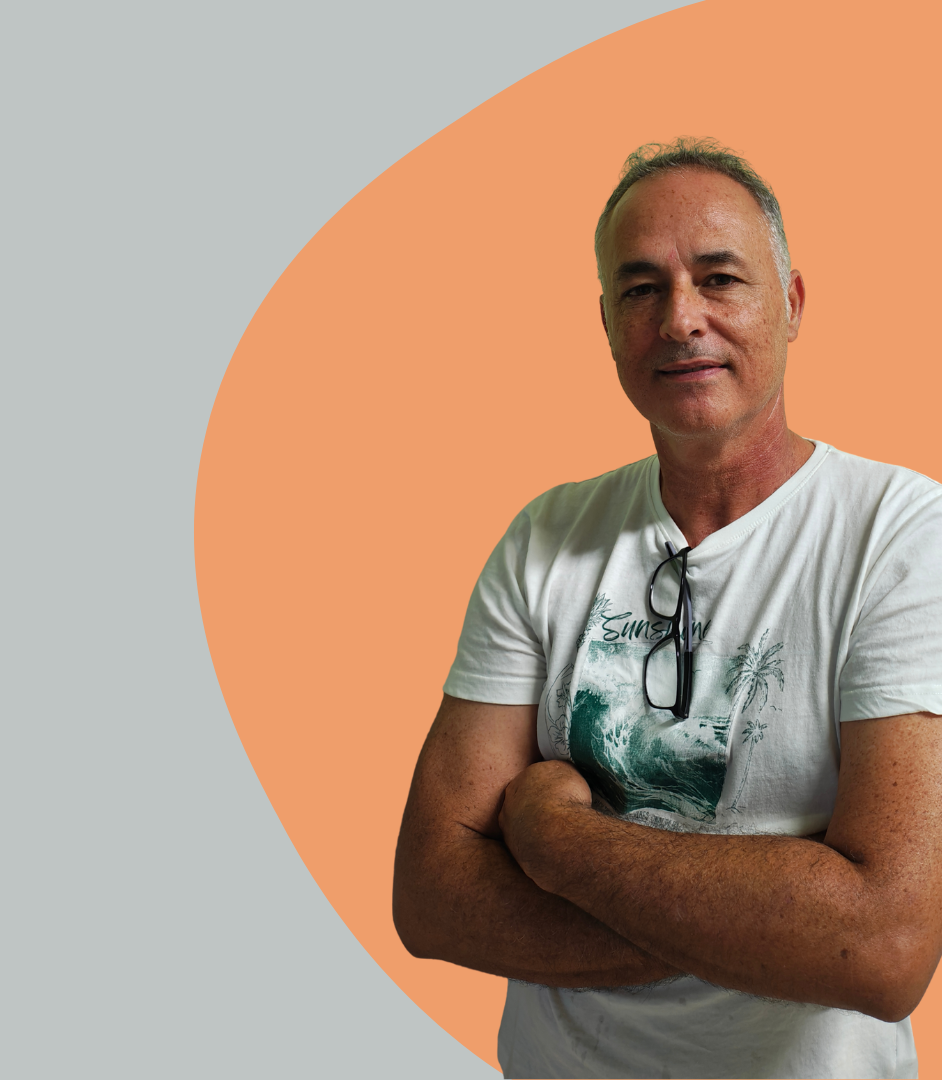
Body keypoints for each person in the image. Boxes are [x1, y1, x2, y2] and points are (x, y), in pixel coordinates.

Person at [392, 138, 942, 1080]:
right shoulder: (545, 539)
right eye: (641, 289)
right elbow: (433, 898)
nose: (681, 320)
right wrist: (782, 914)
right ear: (608, 324)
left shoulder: (901, 535)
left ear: (792, 303)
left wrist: (555, 837)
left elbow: (884, 948)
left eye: (719, 279)